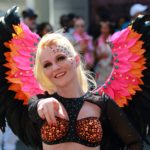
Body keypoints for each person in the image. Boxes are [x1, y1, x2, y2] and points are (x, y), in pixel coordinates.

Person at [28, 33, 142, 150]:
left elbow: (135, 142)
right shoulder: (40, 102)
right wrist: (40, 105)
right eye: (47, 65)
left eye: (61, 58)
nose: (55, 67)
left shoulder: (101, 103)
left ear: (76, 60)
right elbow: (32, 111)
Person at [94, 21, 113, 86]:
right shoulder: (97, 41)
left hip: (111, 69)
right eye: (102, 28)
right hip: (100, 69)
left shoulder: (113, 40)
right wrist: (101, 56)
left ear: (109, 29)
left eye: (106, 28)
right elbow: (94, 57)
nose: (104, 30)